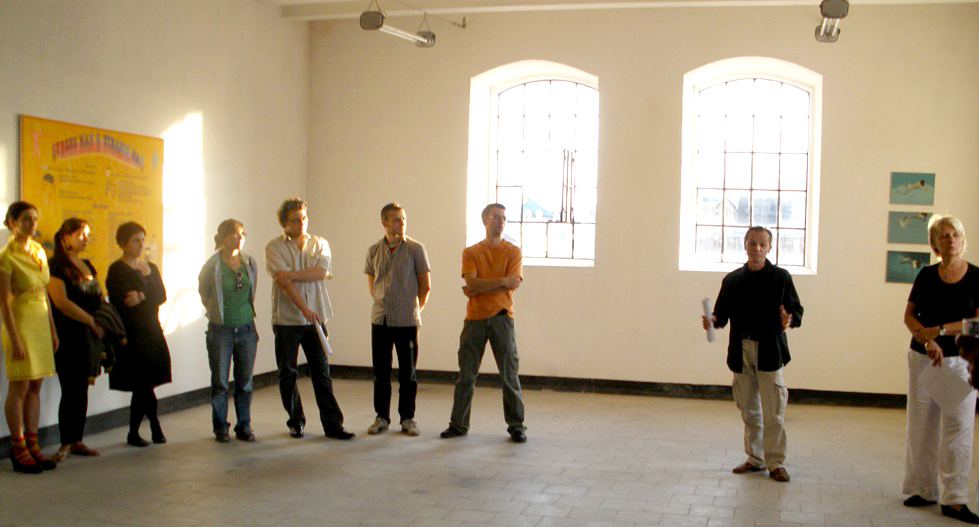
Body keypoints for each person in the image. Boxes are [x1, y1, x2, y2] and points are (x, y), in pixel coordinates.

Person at [703, 226, 803, 483]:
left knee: (774, 412)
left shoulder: (781, 278)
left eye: (762, 244)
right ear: (745, 246)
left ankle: (775, 462)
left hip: (770, 351)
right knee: (749, 410)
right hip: (741, 350)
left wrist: (789, 319)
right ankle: (755, 458)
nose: (757, 249)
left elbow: (796, 311)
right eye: (752, 243)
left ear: (769, 247)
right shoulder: (733, 280)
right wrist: (712, 321)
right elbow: (721, 315)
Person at [901, 215, 979, 524]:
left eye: (954, 234)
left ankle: (955, 499)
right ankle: (922, 489)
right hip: (923, 359)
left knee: (958, 430)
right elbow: (909, 316)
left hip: (961, 361)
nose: (950, 240)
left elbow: (977, 324)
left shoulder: (976, 276)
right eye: (944, 236)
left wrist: (941, 331)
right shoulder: (926, 274)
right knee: (921, 426)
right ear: (935, 243)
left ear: (962, 239)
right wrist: (926, 339)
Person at [265, 198, 353, 440]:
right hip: (287, 320)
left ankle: (333, 425)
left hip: (316, 319)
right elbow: (284, 284)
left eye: (304, 218)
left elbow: (321, 273)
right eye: (295, 220)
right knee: (287, 373)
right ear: (284, 222)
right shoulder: (273, 247)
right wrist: (304, 307)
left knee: (322, 373)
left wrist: (291, 275)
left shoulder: (319, 243)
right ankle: (296, 421)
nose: (301, 223)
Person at [440, 203, 527, 443]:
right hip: (475, 319)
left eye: (504, 218)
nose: (501, 222)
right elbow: (474, 283)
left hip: (502, 318)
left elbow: (510, 283)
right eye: (496, 217)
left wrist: (479, 287)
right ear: (484, 220)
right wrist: (501, 282)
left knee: (509, 375)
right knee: (466, 375)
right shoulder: (471, 252)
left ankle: (517, 426)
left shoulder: (513, 252)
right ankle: (458, 425)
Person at [0, 201, 59, 473]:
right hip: (21, 323)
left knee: (36, 385)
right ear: (12, 222)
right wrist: (15, 339)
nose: (32, 224)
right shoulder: (6, 256)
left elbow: (44, 292)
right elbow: (4, 301)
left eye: (34, 219)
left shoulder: (38, 251)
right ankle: (18, 446)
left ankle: (33, 444)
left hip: (40, 322)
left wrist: (52, 329)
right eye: (26, 219)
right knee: (20, 386)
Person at [364, 203, 431, 436]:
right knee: (381, 372)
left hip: (407, 322)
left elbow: (425, 287)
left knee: (407, 373)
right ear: (384, 222)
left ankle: (407, 418)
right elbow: (372, 284)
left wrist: (414, 310)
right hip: (380, 320)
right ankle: (381, 417)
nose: (401, 223)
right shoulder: (374, 250)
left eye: (403, 219)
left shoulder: (416, 249)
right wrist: (382, 302)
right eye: (396, 219)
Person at [106, 222, 172, 447]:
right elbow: (125, 300)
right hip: (131, 333)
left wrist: (142, 295)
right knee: (143, 384)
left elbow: (161, 295)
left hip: (152, 329)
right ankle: (151, 426)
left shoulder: (150, 267)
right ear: (123, 243)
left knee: (146, 384)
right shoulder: (117, 269)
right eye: (135, 240)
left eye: (142, 240)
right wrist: (147, 294)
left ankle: (138, 431)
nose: (141, 245)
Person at [47, 218, 104, 461]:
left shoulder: (87, 264)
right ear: (65, 237)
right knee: (70, 389)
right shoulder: (54, 265)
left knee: (82, 389)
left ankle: (77, 439)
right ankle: (65, 443)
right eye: (80, 234)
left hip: (89, 335)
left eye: (87, 234)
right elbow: (61, 303)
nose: (85, 239)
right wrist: (90, 321)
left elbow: (98, 296)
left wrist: (100, 320)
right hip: (68, 333)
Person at [198, 219, 259, 442]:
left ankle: (244, 426)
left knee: (245, 382)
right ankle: (220, 427)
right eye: (235, 234)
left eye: (243, 234)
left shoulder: (249, 262)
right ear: (223, 237)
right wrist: (217, 313)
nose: (240, 238)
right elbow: (204, 293)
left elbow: (252, 290)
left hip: (246, 329)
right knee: (221, 383)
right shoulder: (212, 266)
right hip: (221, 331)